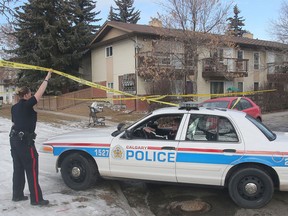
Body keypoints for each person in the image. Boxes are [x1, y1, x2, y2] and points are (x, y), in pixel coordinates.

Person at [9, 71, 52, 206]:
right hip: (24, 142)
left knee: (18, 168)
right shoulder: (27, 105)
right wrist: (47, 78)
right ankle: (37, 199)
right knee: (32, 168)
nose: (32, 95)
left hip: (14, 140)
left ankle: (17, 195)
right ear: (27, 95)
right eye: (31, 94)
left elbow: (15, 123)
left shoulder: (14, 107)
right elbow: (39, 93)